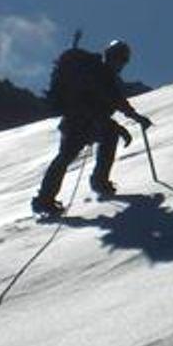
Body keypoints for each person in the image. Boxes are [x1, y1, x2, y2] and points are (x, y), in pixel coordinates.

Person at [31, 39, 151, 215]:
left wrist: (135, 118)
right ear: (110, 57)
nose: (120, 64)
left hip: (81, 122)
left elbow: (116, 100)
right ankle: (48, 198)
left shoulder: (105, 76)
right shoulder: (97, 74)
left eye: (123, 60)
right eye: (120, 59)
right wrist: (132, 119)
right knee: (67, 156)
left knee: (68, 156)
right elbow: (113, 100)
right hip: (78, 123)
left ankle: (49, 198)